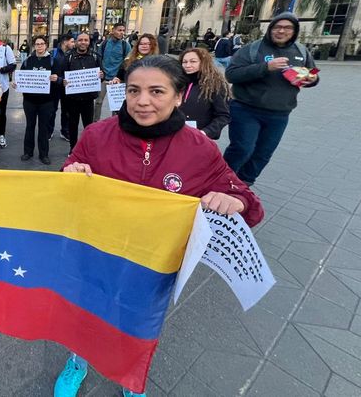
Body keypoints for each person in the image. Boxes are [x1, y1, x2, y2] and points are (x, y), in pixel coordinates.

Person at [54, 55, 264, 397]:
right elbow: (68, 173)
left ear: (180, 96)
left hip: (153, 262)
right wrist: (70, 172)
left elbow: (248, 203)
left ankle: (130, 376)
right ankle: (78, 359)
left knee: (138, 322)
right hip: (96, 251)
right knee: (87, 312)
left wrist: (236, 202)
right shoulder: (96, 135)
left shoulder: (199, 149)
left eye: (156, 91)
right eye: (134, 90)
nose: (142, 101)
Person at [223, 12, 319, 186]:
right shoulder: (253, 49)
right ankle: (221, 180)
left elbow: (312, 76)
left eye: (287, 28)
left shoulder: (301, 51)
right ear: (270, 29)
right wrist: (265, 67)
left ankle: (244, 184)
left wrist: (312, 79)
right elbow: (231, 74)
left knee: (263, 153)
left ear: (295, 30)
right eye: (278, 27)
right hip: (246, 109)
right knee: (243, 148)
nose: (282, 31)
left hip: (280, 114)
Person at [14, 35, 60, 165]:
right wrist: (16, 83)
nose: (39, 46)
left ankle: (43, 154)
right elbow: (21, 78)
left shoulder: (52, 61)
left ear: (46, 45)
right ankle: (28, 152)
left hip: (46, 101)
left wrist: (56, 78)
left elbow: (59, 78)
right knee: (30, 126)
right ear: (34, 46)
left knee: (43, 128)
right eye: (37, 44)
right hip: (29, 101)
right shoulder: (28, 61)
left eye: (42, 43)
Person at [60, 32, 104, 152]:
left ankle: (87, 149)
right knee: (72, 126)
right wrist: (63, 81)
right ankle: (73, 149)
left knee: (88, 126)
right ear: (76, 42)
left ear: (89, 42)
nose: (83, 42)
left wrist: (102, 75)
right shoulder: (68, 57)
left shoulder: (95, 56)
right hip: (72, 100)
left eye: (85, 40)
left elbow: (102, 74)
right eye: (80, 40)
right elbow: (62, 75)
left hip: (88, 99)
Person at [179, 48, 231, 139]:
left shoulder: (215, 84)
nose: (188, 65)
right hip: (176, 133)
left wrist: (205, 132)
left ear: (203, 62)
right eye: (185, 62)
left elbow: (223, 115)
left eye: (193, 61)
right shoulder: (177, 82)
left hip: (199, 136)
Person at [94, 23, 131, 120]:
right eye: (119, 30)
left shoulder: (125, 45)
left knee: (116, 106)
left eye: (123, 30)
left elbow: (128, 62)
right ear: (113, 30)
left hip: (117, 80)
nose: (121, 33)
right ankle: (95, 123)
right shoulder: (105, 43)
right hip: (104, 78)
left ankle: (114, 124)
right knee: (98, 102)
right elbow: (99, 58)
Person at [50, 34, 75, 141]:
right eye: (72, 41)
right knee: (52, 110)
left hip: (68, 87)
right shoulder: (53, 53)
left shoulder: (73, 54)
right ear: (65, 42)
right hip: (54, 87)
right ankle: (49, 131)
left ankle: (65, 131)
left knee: (67, 111)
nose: (74, 44)